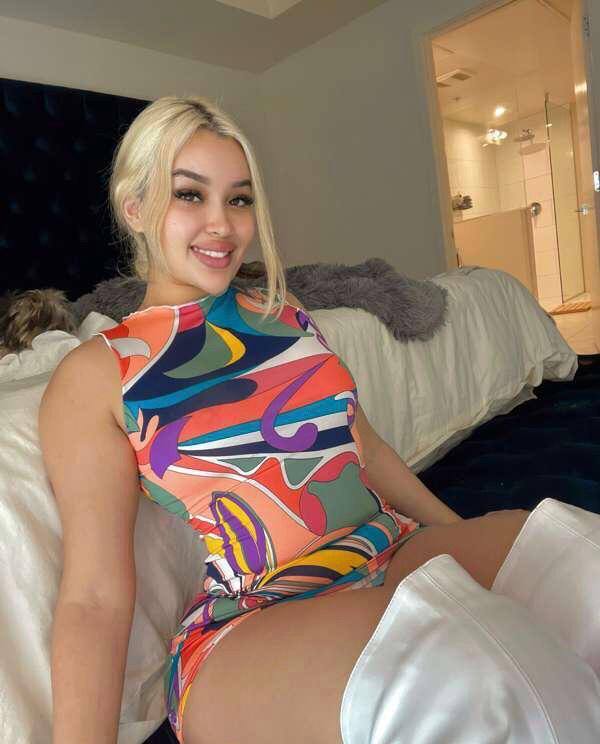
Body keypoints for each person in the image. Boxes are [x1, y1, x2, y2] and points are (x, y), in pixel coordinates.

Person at [38, 95, 600, 744]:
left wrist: (460, 536)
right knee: (467, 677)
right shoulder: (98, 373)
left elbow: (364, 447)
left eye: (239, 199)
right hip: (257, 614)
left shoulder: (284, 315)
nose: (222, 224)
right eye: (190, 195)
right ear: (134, 207)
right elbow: (94, 597)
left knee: (579, 559)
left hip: (391, 548)